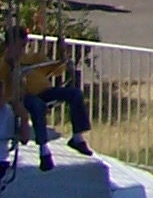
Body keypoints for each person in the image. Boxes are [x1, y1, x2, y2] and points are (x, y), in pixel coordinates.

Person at [3, 23, 93, 169]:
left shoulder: (33, 58)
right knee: (37, 106)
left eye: (23, 46)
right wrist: (9, 62)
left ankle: (77, 137)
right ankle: (44, 150)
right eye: (19, 46)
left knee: (75, 94)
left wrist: (62, 57)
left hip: (44, 91)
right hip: (22, 96)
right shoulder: (4, 62)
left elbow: (55, 69)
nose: (21, 50)